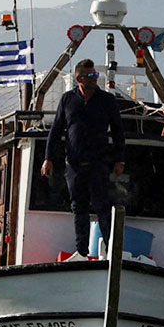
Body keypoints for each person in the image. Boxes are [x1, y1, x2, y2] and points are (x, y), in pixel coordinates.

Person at [41, 59, 126, 256]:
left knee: (102, 206)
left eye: (95, 75)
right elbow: (56, 131)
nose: (94, 79)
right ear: (79, 78)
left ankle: (111, 250)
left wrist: (119, 160)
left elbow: (118, 131)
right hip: (74, 165)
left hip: (99, 163)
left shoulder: (107, 101)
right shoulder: (67, 100)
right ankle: (81, 252)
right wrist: (48, 158)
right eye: (89, 76)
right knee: (78, 209)